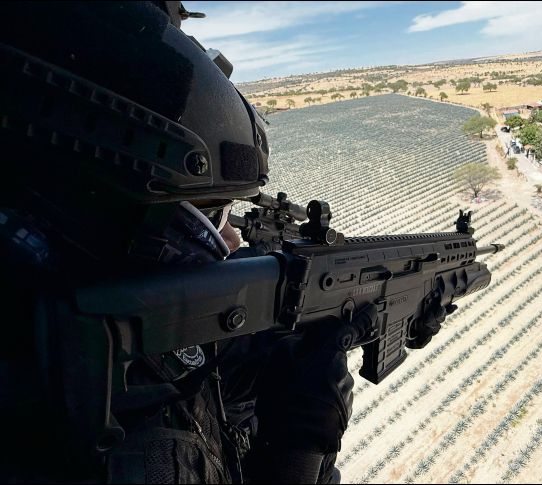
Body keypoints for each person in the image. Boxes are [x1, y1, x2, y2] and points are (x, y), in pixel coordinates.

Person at [0, 2, 355, 483]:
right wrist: (302, 447)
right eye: (212, 219)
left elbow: (193, 391)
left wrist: (274, 348)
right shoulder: (122, 448)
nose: (231, 240)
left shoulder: (69, 357)